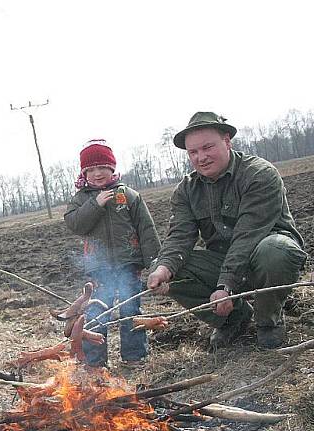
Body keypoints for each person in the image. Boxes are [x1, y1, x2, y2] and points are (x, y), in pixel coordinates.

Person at [147, 112, 307, 350]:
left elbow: (247, 236)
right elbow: (180, 236)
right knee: (168, 267)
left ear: (227, 141)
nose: (201, 157)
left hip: (263, 259)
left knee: (275, 250)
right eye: (193, 152)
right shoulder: (186, 190)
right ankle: (234, 318)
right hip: (223, 263)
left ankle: (268, 321)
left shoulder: (259, 174)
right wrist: (163, 268)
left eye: (207, 147)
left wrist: (225, 286)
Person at [64, 140, 161, 367]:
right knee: (97, 312)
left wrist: (155, 264)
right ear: (84, 172)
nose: (97, 174)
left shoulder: (128, 195)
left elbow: (146, 230)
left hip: (129, 265)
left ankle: (134, 357)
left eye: (102, 168)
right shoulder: (81, 199)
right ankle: (95, 363)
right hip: (99, 269)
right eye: (91, 169)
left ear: (112, 168)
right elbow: (75, 224)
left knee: (130, 310)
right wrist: (95, 205)